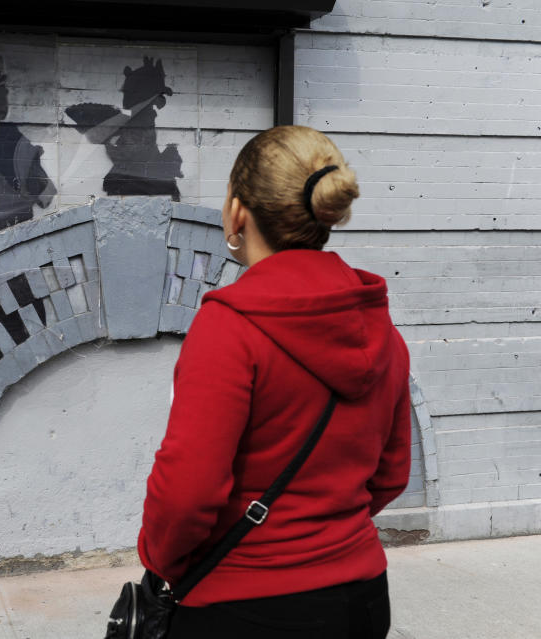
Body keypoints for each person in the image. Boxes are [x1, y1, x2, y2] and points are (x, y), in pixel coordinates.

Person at [138, 125, 412, 638]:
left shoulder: (229, 327)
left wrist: (160, 561)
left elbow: (187, 494)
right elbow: (392, 473)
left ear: (237, 212)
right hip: (362, 596)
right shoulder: (378, 326)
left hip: (244, 605)